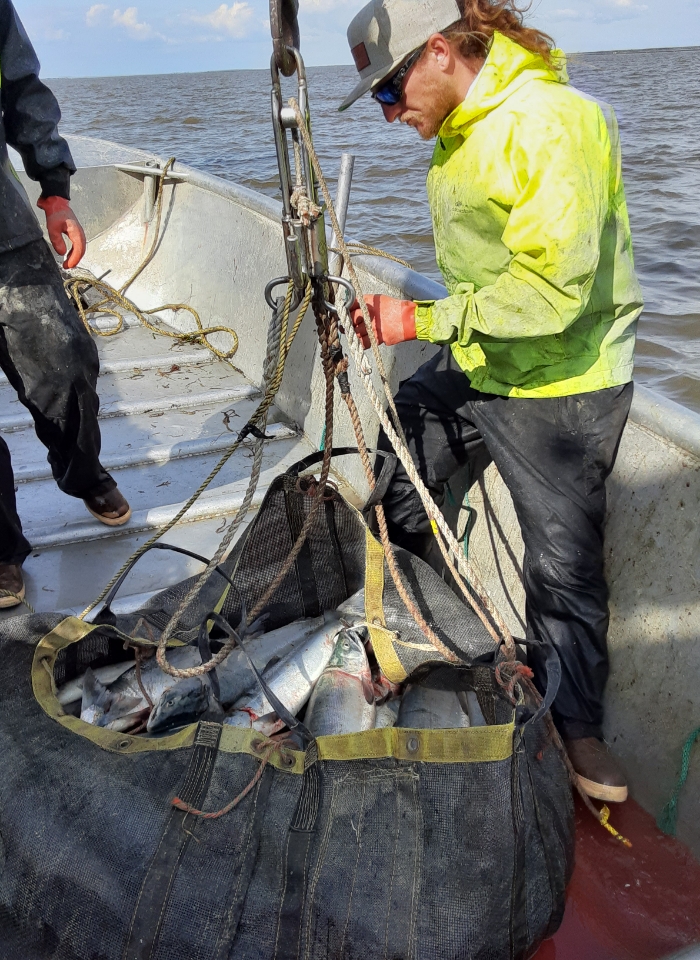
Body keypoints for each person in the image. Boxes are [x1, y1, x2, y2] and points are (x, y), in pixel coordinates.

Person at [342, 0, 644, 802]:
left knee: (563, 568)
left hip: (563, 378)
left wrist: (417, 318)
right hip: (481, 356)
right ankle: (418, 631)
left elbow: (552, 297)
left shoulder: (551, 121)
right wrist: (423, 326)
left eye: (389, 91)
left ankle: (576, 727)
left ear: (439, 52)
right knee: (396, 478)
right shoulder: (458, 125)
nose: (387, 112)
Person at [0, 0, 130, 611]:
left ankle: (83, 473)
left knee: (68, 363)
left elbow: (22, 88)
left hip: (1, 228)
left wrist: (55, 190)